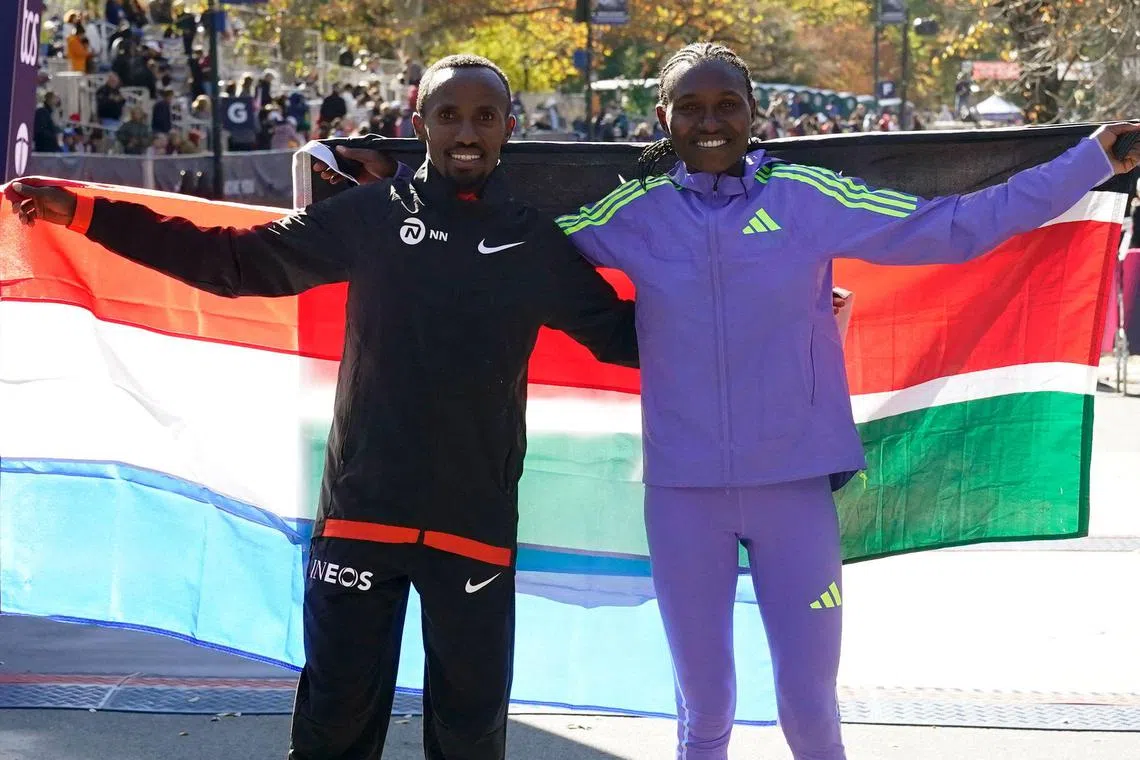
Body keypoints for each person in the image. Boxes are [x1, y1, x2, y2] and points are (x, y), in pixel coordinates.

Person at [325, 42, 1140, 760]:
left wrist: (1089, 160)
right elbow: (501, 226)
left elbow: (958, 227)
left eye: (727, 105)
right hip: (683, 497)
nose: (709, 120)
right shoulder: (632, 212)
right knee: (705, 712)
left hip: (793, 491)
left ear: (755, 115)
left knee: (810, 713)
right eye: (691, 106)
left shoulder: (808, 198)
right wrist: (404, 179)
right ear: (664, 118)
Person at [10, 53, 638, 760]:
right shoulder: (369, 216)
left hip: (474, 524)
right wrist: (90, 213)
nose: (467, 130)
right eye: (450, 114)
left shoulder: (533, 241)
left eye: (484, 116)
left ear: (508, 129)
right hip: (364, 514)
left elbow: (624, 337)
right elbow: (234, 263)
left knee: (470, 739)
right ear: (419, 124)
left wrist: (770, 308)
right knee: (333, 731)